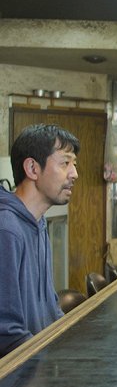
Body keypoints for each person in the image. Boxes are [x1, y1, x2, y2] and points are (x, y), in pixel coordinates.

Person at [0, 124, 80, 357]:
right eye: (65, 163)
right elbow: (6, 333)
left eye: (74, 164)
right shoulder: (7, 230)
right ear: (33, 168)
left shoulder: (37, 222)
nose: (74, 173)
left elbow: (49, 310)